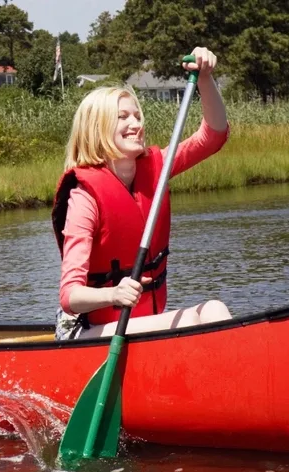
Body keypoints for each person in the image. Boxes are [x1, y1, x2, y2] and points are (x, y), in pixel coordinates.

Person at [51, 47, 233, 341]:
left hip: (140, 324)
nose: (137, 124)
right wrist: (114, 293)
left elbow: (213, 135)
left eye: (137, 116)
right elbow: (70, 295)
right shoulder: (84, 197)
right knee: (196, 324)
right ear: (97, 129)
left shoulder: (157, 167)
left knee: (212, 310)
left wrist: (205, 79)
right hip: (85, 331)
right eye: (123, 117)